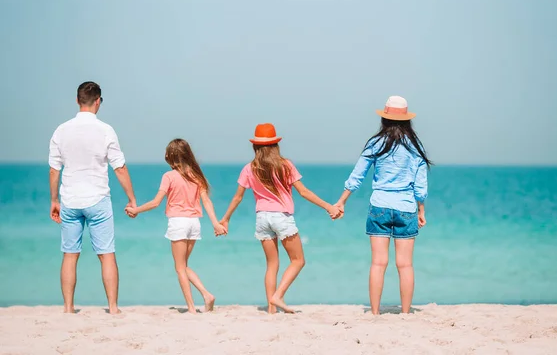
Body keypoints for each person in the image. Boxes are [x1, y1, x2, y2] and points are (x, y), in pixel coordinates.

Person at [219, 123, 341, 314]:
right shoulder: (285, 165)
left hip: (262, 218)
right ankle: (278, 296)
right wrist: (328, 207)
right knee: (298, 260)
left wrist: (225, 219)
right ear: (276, 145)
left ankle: (271, 309)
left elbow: (238, 197)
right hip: (281, 218)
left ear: (255, 146)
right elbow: (304, 192)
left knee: (272, 264)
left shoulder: (249, 168)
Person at [334, 96, 432, 315]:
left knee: (378, 263)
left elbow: (357, 176)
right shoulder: (415, 146)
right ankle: (406, 313)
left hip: (379, 205)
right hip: (406, 207)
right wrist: (421, 209)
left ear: (384, 119)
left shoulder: (375, 143)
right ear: (407, 120)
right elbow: (420, 185)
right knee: (405, 265)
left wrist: (342, 201)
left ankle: (376, 312)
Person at [49, 81, 136, 314]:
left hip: (69, 199)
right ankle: (113, 308)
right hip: (98, 199)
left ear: (77, 101)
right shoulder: (106, 130)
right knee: (106, 254)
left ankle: (68, 308)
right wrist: (131, 198)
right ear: (98, 101)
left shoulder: (61, 130)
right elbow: (120, 168)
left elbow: (54, 170)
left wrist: (54, 200)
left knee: (70, 254)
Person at [125, 139, 226, 313]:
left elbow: (156, 202)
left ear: (169, 157)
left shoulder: (169, 176)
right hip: (194, 223)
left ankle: (192, 308)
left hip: (178, 223)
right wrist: (215, 223)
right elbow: (207, 201)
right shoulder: (196, 175)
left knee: (179, 268)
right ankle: (206, 295)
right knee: (184, 265)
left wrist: (136, 210)